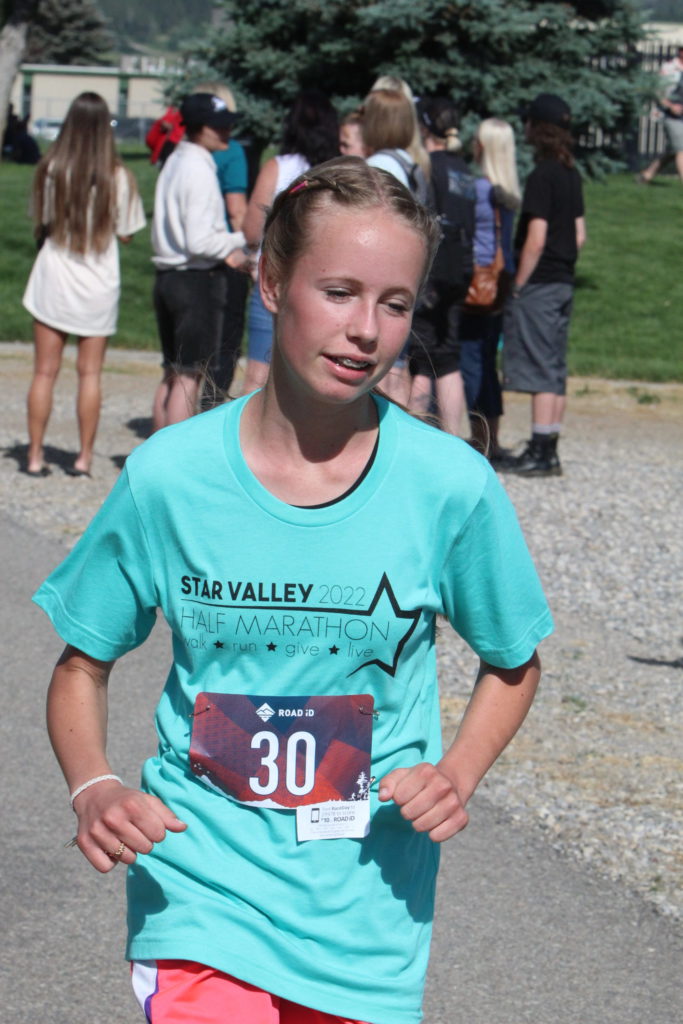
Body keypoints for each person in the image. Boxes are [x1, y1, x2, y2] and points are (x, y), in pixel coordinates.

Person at [35, 156, 553, 1024]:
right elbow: (81, 663)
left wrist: (455, 774)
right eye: (339, 292)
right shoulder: (170, 475)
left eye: (395, 304)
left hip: (364, 908)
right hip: (200, 887)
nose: (366, 330)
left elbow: (513, 659)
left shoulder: (448, 485)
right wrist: (95, 787)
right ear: (272, 284)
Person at [22, 91, 146, 478]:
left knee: (44, 372)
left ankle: (35, 456)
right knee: (89, 374)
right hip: (98, 282)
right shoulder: (119, 176)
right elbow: (127, 233)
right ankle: (83, 457)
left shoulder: (51, 168)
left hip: (54, 275)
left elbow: (41, 222)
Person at [150, 92, 248, 430]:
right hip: (193, 282)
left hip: (167, 277)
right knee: (188, 377)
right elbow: (199, 241)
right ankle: (174, 454)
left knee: (172, 372)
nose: (227, 132)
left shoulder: (175, 160)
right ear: (199, 128)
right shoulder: (198, 169)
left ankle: (156, 450)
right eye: (218, 127)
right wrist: (243, 238)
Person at [501, 93, 586, 477]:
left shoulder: (541, 176)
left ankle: (537, 451)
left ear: (538, 128)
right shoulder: (571, 173)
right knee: (554, 366)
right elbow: (580, 235)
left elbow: (535, 238)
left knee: (538, 368)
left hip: (540, 282)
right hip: (564, 281)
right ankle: (549, 447)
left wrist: (519, 284)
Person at [240, 90, 339, 394]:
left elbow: (251, 230)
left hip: (277, 279)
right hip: (328, 286)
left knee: (258, 373)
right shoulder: (342, 171)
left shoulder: (279, 166)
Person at [408, 97, 476, 435]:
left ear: (424, 127)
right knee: (448, 357)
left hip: (433, 271)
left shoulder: (427, 167)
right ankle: (452, 437)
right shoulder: (464, 170)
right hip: (459, 270)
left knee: (420, 358)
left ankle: (414, 434)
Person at [459, 118, 521, 457]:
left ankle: (473, 438)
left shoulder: (479, 189)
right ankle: (491, 438)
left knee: (469, 359)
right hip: (501, 281)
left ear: (482, 146)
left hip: (477, 281)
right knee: (486, 360)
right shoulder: (508, 190)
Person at [363, 88, 428, 402]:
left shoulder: (379, 166)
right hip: (403, 273)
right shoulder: (411, 164)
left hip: (381, 269)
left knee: (384, 369)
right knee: (397, 365)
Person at [193, 82, 250, 402]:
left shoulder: (183, 153)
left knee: (184, 356)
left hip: (189, 262)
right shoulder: (232, 152)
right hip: (225, 255)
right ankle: (210, 409)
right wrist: (248, 252)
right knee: (224, 346)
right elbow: (237, 209)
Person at [637, 46, 683, 185]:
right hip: (670, 115)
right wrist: (670, 105)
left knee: (673, 150)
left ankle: (647, 174)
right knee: (681, 147)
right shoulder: (669, 68)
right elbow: (658, 90)